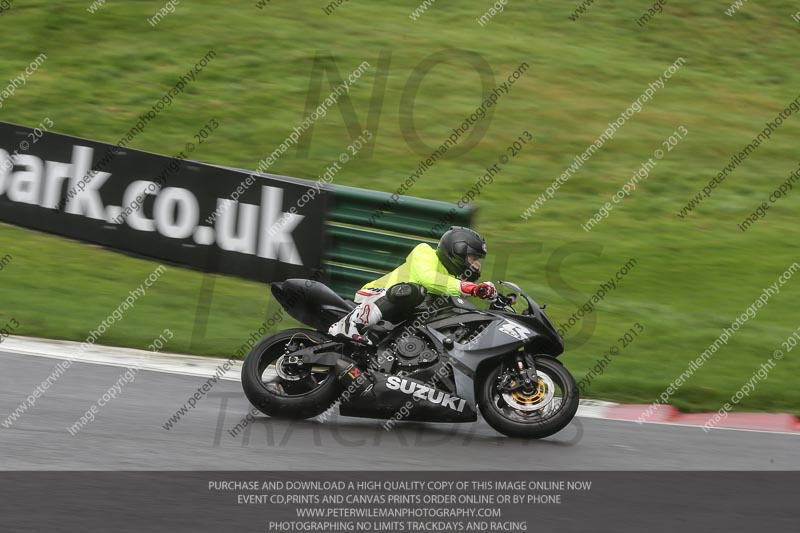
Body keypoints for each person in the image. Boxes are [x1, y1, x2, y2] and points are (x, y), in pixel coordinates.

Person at [328, 226, 497, 344]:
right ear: (458, 250)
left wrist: (495, 297)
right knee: (414, 291)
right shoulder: (425, 252)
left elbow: (455, 290)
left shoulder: (451, 278)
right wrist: (472, 288)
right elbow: (429, 279)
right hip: (374, 296)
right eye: (473, 258)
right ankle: (347, 325)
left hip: (399, 316)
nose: (476, 265)